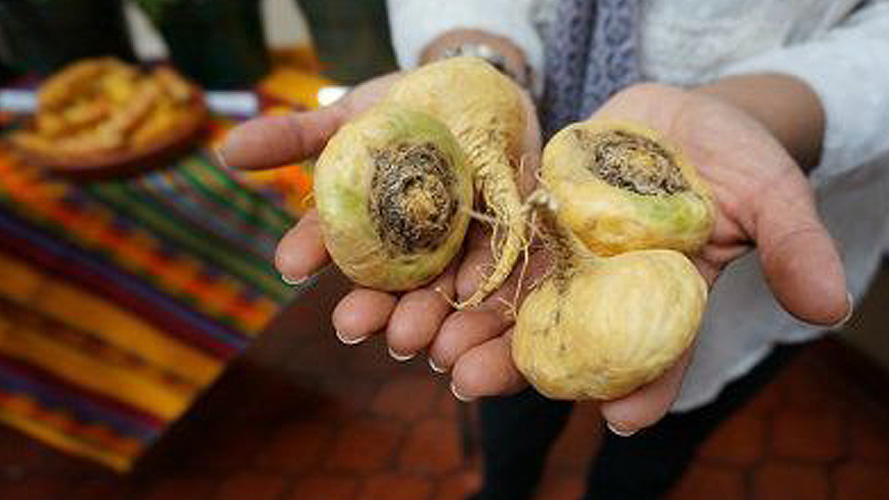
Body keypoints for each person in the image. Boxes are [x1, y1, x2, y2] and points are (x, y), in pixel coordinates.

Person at [218, 0, 889, 498]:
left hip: (734, 212)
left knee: (648, 450)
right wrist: (475, 60)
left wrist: (769, 110)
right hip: (522, 247)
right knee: (509, 405)